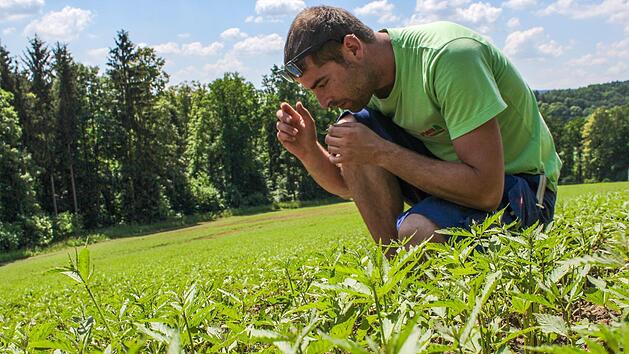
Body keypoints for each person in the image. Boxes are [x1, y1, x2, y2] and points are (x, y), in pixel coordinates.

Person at [275, 6, 561, 251]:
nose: (323, 102)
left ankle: (410, 269)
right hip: (454, 185)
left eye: (322, 84)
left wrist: (380, 151)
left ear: (353, 48)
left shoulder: (449, 57)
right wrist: (309, 150)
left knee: (417, 233)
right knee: (351, 129)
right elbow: (356, 185)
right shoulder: (364, 86)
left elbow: (486, 191)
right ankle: (398, 275)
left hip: (522, 190)